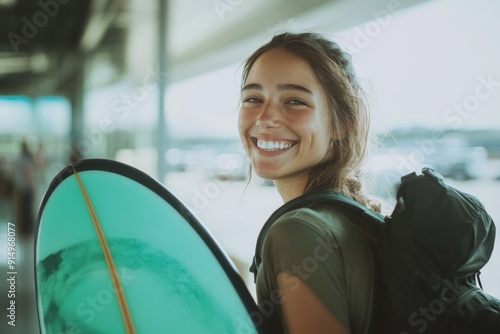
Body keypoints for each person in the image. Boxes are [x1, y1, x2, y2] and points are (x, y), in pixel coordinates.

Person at [238, 31, 381, 333]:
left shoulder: (298, 232)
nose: (265, 118)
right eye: (253, 98)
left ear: (342, 123)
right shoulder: (352, 217)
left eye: (295, 101)